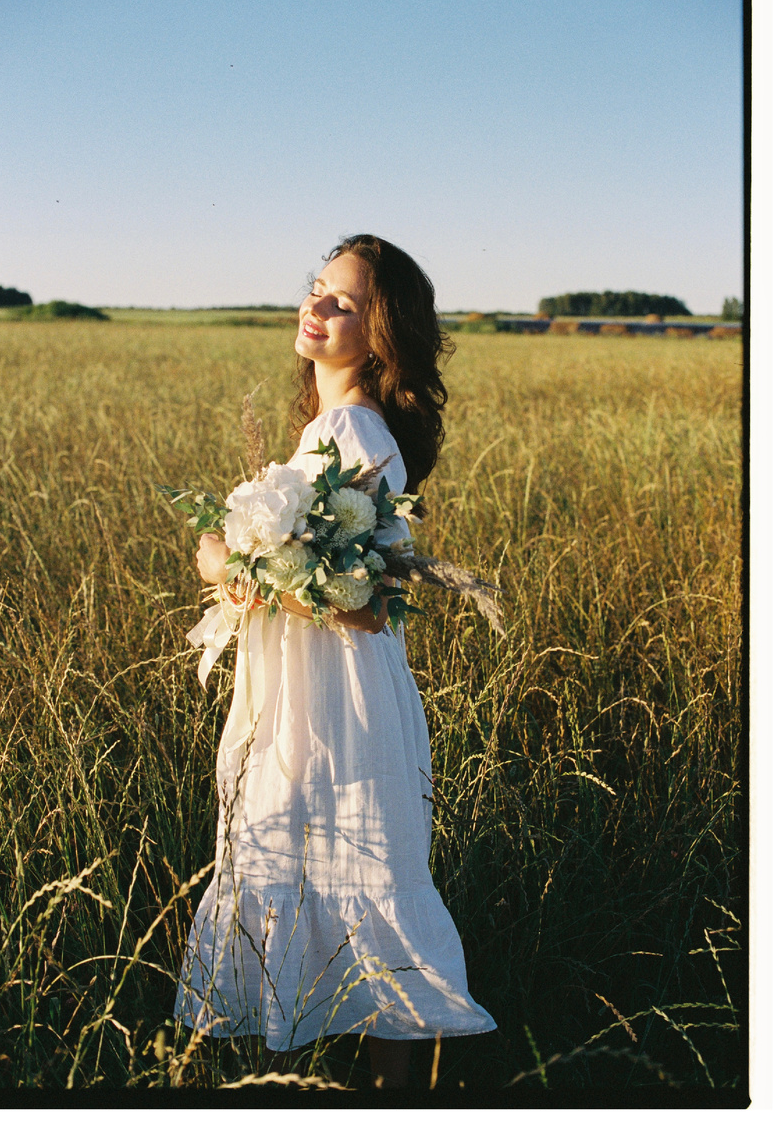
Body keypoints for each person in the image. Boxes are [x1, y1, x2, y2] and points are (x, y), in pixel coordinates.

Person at [174, 234, 496, 1089]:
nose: (314, 306)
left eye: (342, 301)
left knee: (341, 877)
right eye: (317, 288)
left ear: (378, 331)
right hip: (325, 697)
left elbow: (360, 605)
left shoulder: (351, 426)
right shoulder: (336, 427)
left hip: (332, 708)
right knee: (345, 877)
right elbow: (341, 582)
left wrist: (224, 562)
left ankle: (340, 1096)